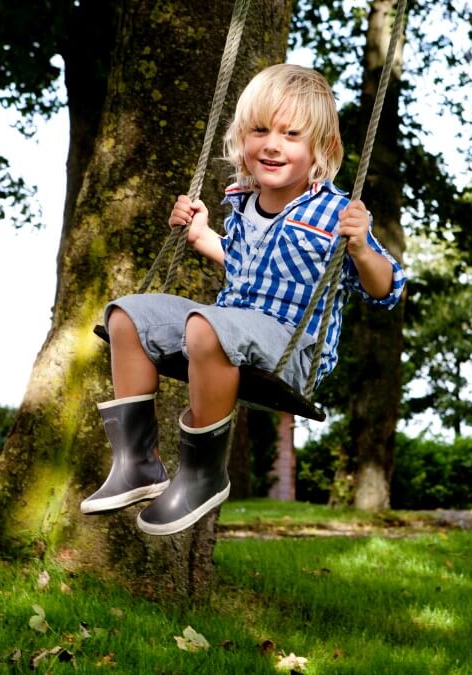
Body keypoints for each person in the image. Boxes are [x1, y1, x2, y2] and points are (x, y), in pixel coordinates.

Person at [80, 64, 406, 535]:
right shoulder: (243, 201)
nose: (272, 144)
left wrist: (359, 247)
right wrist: (200, 234)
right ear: (242, 137)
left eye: (291, 134)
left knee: (205, 325)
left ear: (322, 149)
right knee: (127, 315)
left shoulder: (337, 211)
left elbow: (386, 288)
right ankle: (136, 463)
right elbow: (241, 261)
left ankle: (202, 475)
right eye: (260, 130)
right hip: (230, 328)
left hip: (293, 349)